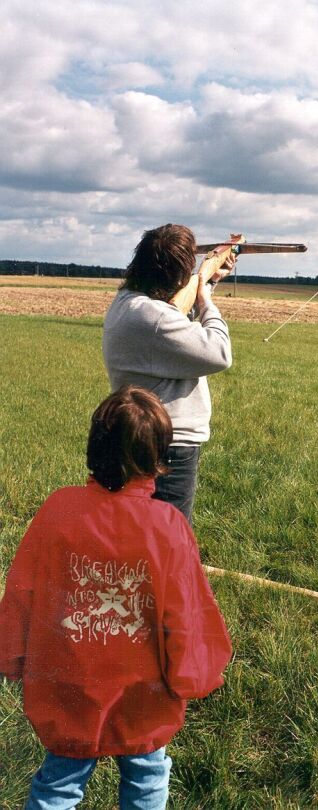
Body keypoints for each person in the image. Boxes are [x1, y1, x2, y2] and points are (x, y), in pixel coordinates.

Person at [0, 385, 232, 810]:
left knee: (59, 782)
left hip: (69, 683)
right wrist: (191, 671)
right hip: (143, 689)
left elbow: (21, 591)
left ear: (95, 446)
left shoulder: (59, 510)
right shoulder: (166, 526)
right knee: (146, 775)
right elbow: (185, 612)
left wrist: (13, 654)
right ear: (159, 458)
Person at [103, 223, 234, 524]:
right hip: (169, 444)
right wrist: (206, 301)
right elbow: (219, 352)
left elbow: (173, 319)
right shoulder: (154, 317)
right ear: (177, 275)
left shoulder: (128, 303)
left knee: (138, 532)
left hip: (139, 434)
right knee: (167, 539)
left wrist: (208, 280)